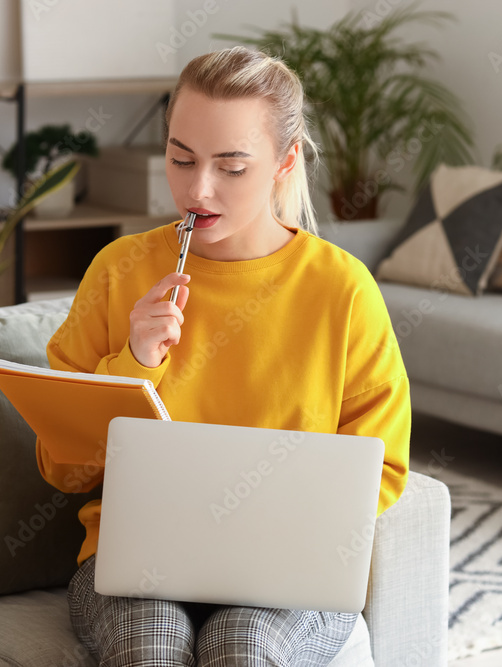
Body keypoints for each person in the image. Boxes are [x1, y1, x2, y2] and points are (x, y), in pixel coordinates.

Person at [35, 45, 411, 666]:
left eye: (230, 167)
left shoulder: (341, 289)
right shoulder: (117, 269)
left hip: (290, 571)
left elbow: (383, 470)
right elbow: (62, 467)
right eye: (180, 159)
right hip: (133, 567)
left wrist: (273, 527)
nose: (197, 188)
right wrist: (134, 361)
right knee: (150, 647)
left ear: (286, 162)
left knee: (244, 644)